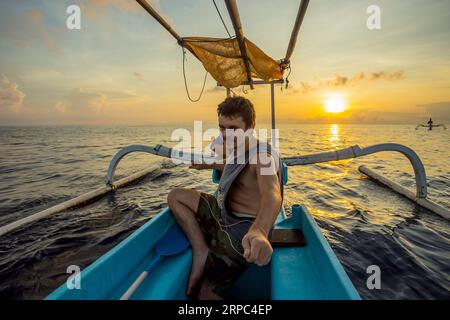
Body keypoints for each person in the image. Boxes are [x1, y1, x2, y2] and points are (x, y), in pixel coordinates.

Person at [167, 96, 283, 299]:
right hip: (222, 213)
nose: (227, 135)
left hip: (242, 229)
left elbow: (273, 194)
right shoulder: (238, 147)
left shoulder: (262, 156)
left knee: (204, 295)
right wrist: (208, 164)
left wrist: (259, 231)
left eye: (233, 128)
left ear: (251, 126)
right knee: (176, 196)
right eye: (222, 127)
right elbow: (233, 164)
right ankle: (201, 249)